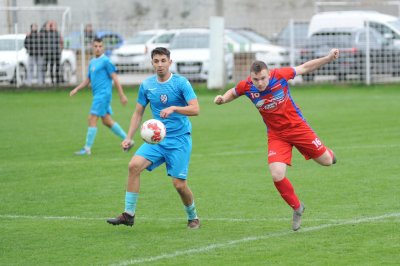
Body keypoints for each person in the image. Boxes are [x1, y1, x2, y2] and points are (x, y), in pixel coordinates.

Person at [213, 48, 340, 231]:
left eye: (263, 78)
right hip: (276, 135)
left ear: (268, 73)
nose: (260, 83)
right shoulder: (247, 86)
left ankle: (328, 153)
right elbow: (233, 92)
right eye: (256, 79)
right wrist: (222, 99)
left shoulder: (280, 75)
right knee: (276, 174)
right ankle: (297, 207)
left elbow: (304, 67)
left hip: (298, 128)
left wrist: (328, 58)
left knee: (327, 161)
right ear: (251, 78)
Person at [106, 47, 201, 229]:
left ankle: (193, 217)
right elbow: (138, 113)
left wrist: (174, 108)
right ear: (152, 63)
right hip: (157, 140)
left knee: (179, 185)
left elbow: (195, 109)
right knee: (133, 166)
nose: (160, 65)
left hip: (179, 140)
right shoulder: (147, 85)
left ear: (169, 62)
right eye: (156, 61)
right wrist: (128, 137)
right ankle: (128, 214)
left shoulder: (181, 83)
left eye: (163, 61)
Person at [70, 37, 128, 155]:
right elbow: (88, 80)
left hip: (103, 95)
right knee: (107, 121)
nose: (98, 48)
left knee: (91, 119)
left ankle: (87, 149)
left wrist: (122, 95)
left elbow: (115, 78)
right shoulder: (92, 62)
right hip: (98, 95)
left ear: (103, 48)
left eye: (100, 46)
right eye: (95, 46)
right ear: (92, 47)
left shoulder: (106, 61)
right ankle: (128, 140)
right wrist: (77, 89)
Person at [43, 20, 63, 84]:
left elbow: (61, 42)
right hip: (50, 53)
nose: (54, 27)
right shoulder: (47, 33)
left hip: (57, 53)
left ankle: (57, 80)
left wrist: (60, 49)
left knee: (57, 67)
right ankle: (52, 80)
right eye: (52, 25)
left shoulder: (57, 33)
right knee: (51, 67)